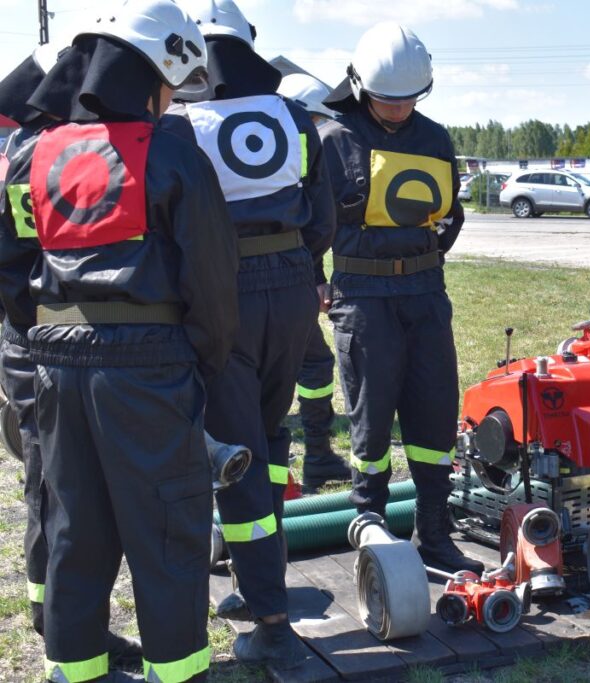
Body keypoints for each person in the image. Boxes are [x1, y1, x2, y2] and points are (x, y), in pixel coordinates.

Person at [0, 1, 240, 680]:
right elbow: (213, 277)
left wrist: (45, 333)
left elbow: (10, 266)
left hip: (54, 362)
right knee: (167, 534)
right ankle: (178, 670)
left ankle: (74, 670)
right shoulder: (170, 152)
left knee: (75, 530)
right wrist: (201, 357)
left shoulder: (30, 152)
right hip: (150, 367)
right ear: (154, 72)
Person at [167, 0, 335, 663]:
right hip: (293, 287)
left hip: (223, 291)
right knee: (266, 435)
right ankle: (254, 580)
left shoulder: (182, 128)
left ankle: (270, 617)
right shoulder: (295, 118)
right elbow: (323, 219)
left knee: (234, 453)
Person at [0, 42, 146, 671]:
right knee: (56, 487)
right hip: (42, 339)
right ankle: (53, 616)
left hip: (48, 337)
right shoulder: (36, 156)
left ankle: (59, 618)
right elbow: (19, 259)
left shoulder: (40, 151)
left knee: (61, 489)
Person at [319, 21, 482, 575]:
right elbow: (309, 220)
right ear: (361, 86)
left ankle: (434, 532)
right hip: (362, 295)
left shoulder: (435, 138)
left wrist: (429, 251)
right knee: (371, 416)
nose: (398, 109)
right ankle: (371, 523)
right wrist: (317, 280)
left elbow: (451, 213)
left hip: (425, 291)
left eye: (409, 98)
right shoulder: (333, 136)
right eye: (388, 100)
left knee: (435, 410)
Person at [277, 71, 351, 493]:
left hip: (287, 276)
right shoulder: (292, 156)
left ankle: (319, 456)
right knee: (296, 366)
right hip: (275, 280)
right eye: (321, 124)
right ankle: (313, 457)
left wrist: (316, 277)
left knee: (314, 363)